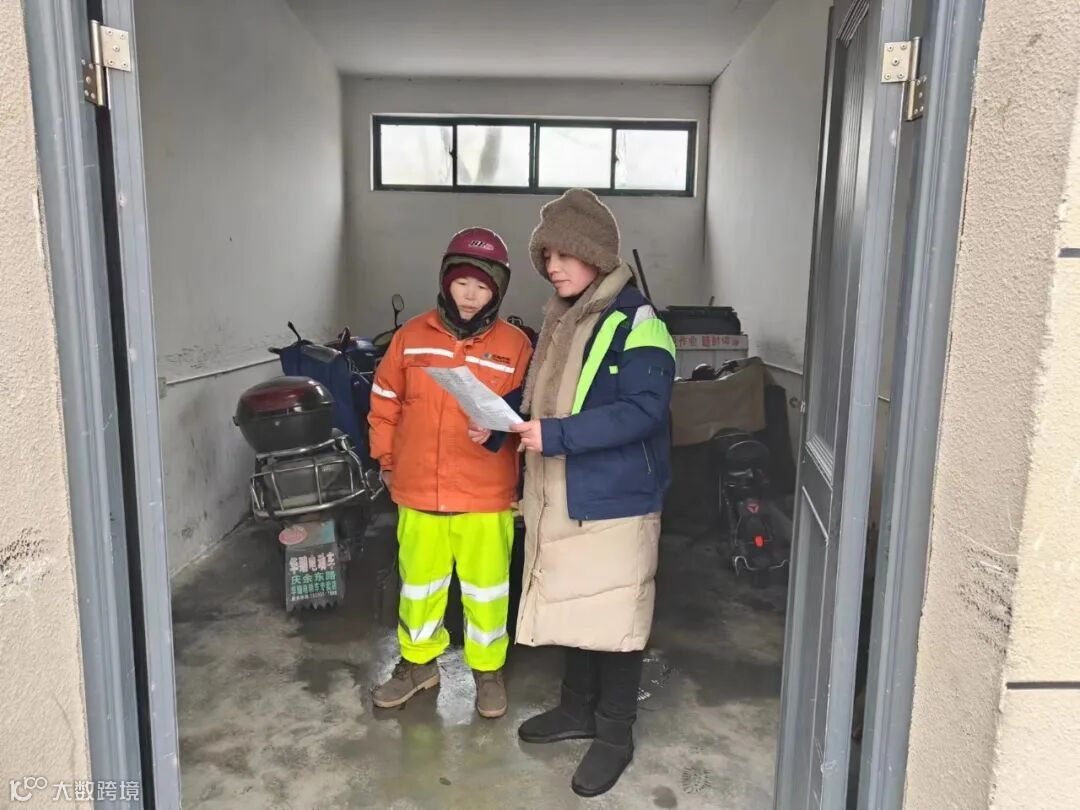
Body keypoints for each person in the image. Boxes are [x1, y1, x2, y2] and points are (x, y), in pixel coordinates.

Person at [510, 189, 676, 797]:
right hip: (565, 489)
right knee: (575, 605)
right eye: (546, 256)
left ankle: (614, 734)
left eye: (563, 255)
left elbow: (644, 410)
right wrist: (501, 423)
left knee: (616, 618)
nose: (552, 267)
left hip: (616, 497)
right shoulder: (566, 318)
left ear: (596, 255)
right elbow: (545, 402)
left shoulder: (639, 322)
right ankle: (576, 710)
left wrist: (553, 435)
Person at [368, 227, 533, 719]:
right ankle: (418, 665)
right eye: (462, 283)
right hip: (419, 489)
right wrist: (387, 463)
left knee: (487, 591)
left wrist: (505, 437)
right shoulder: (411, 337)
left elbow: (527, 414)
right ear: (445, 281)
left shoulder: (516, 346)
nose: (470, 295)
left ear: (497, 291)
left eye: (482, 287)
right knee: (419, 588)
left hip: (485, 493)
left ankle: (488, 671)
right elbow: (383, 403)